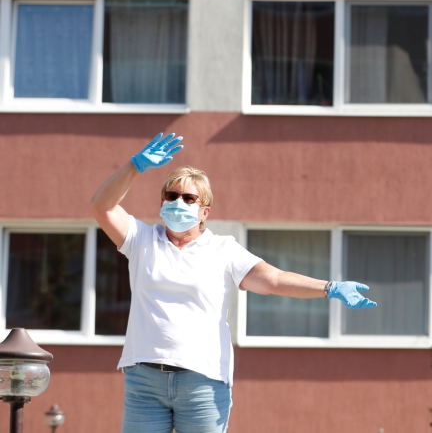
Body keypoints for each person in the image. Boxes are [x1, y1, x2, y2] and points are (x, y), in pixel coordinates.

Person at [90, 133, 377, 433]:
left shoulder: (223, 249)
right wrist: (135, 166)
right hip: (144, 379)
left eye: (189, 198)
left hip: (202, 381)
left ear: (204, 212)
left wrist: (329, 288)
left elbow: (274, 280)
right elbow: (103, 206)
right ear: (161, 202)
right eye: (171, 196)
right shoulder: (142, 239)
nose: (178, 202)